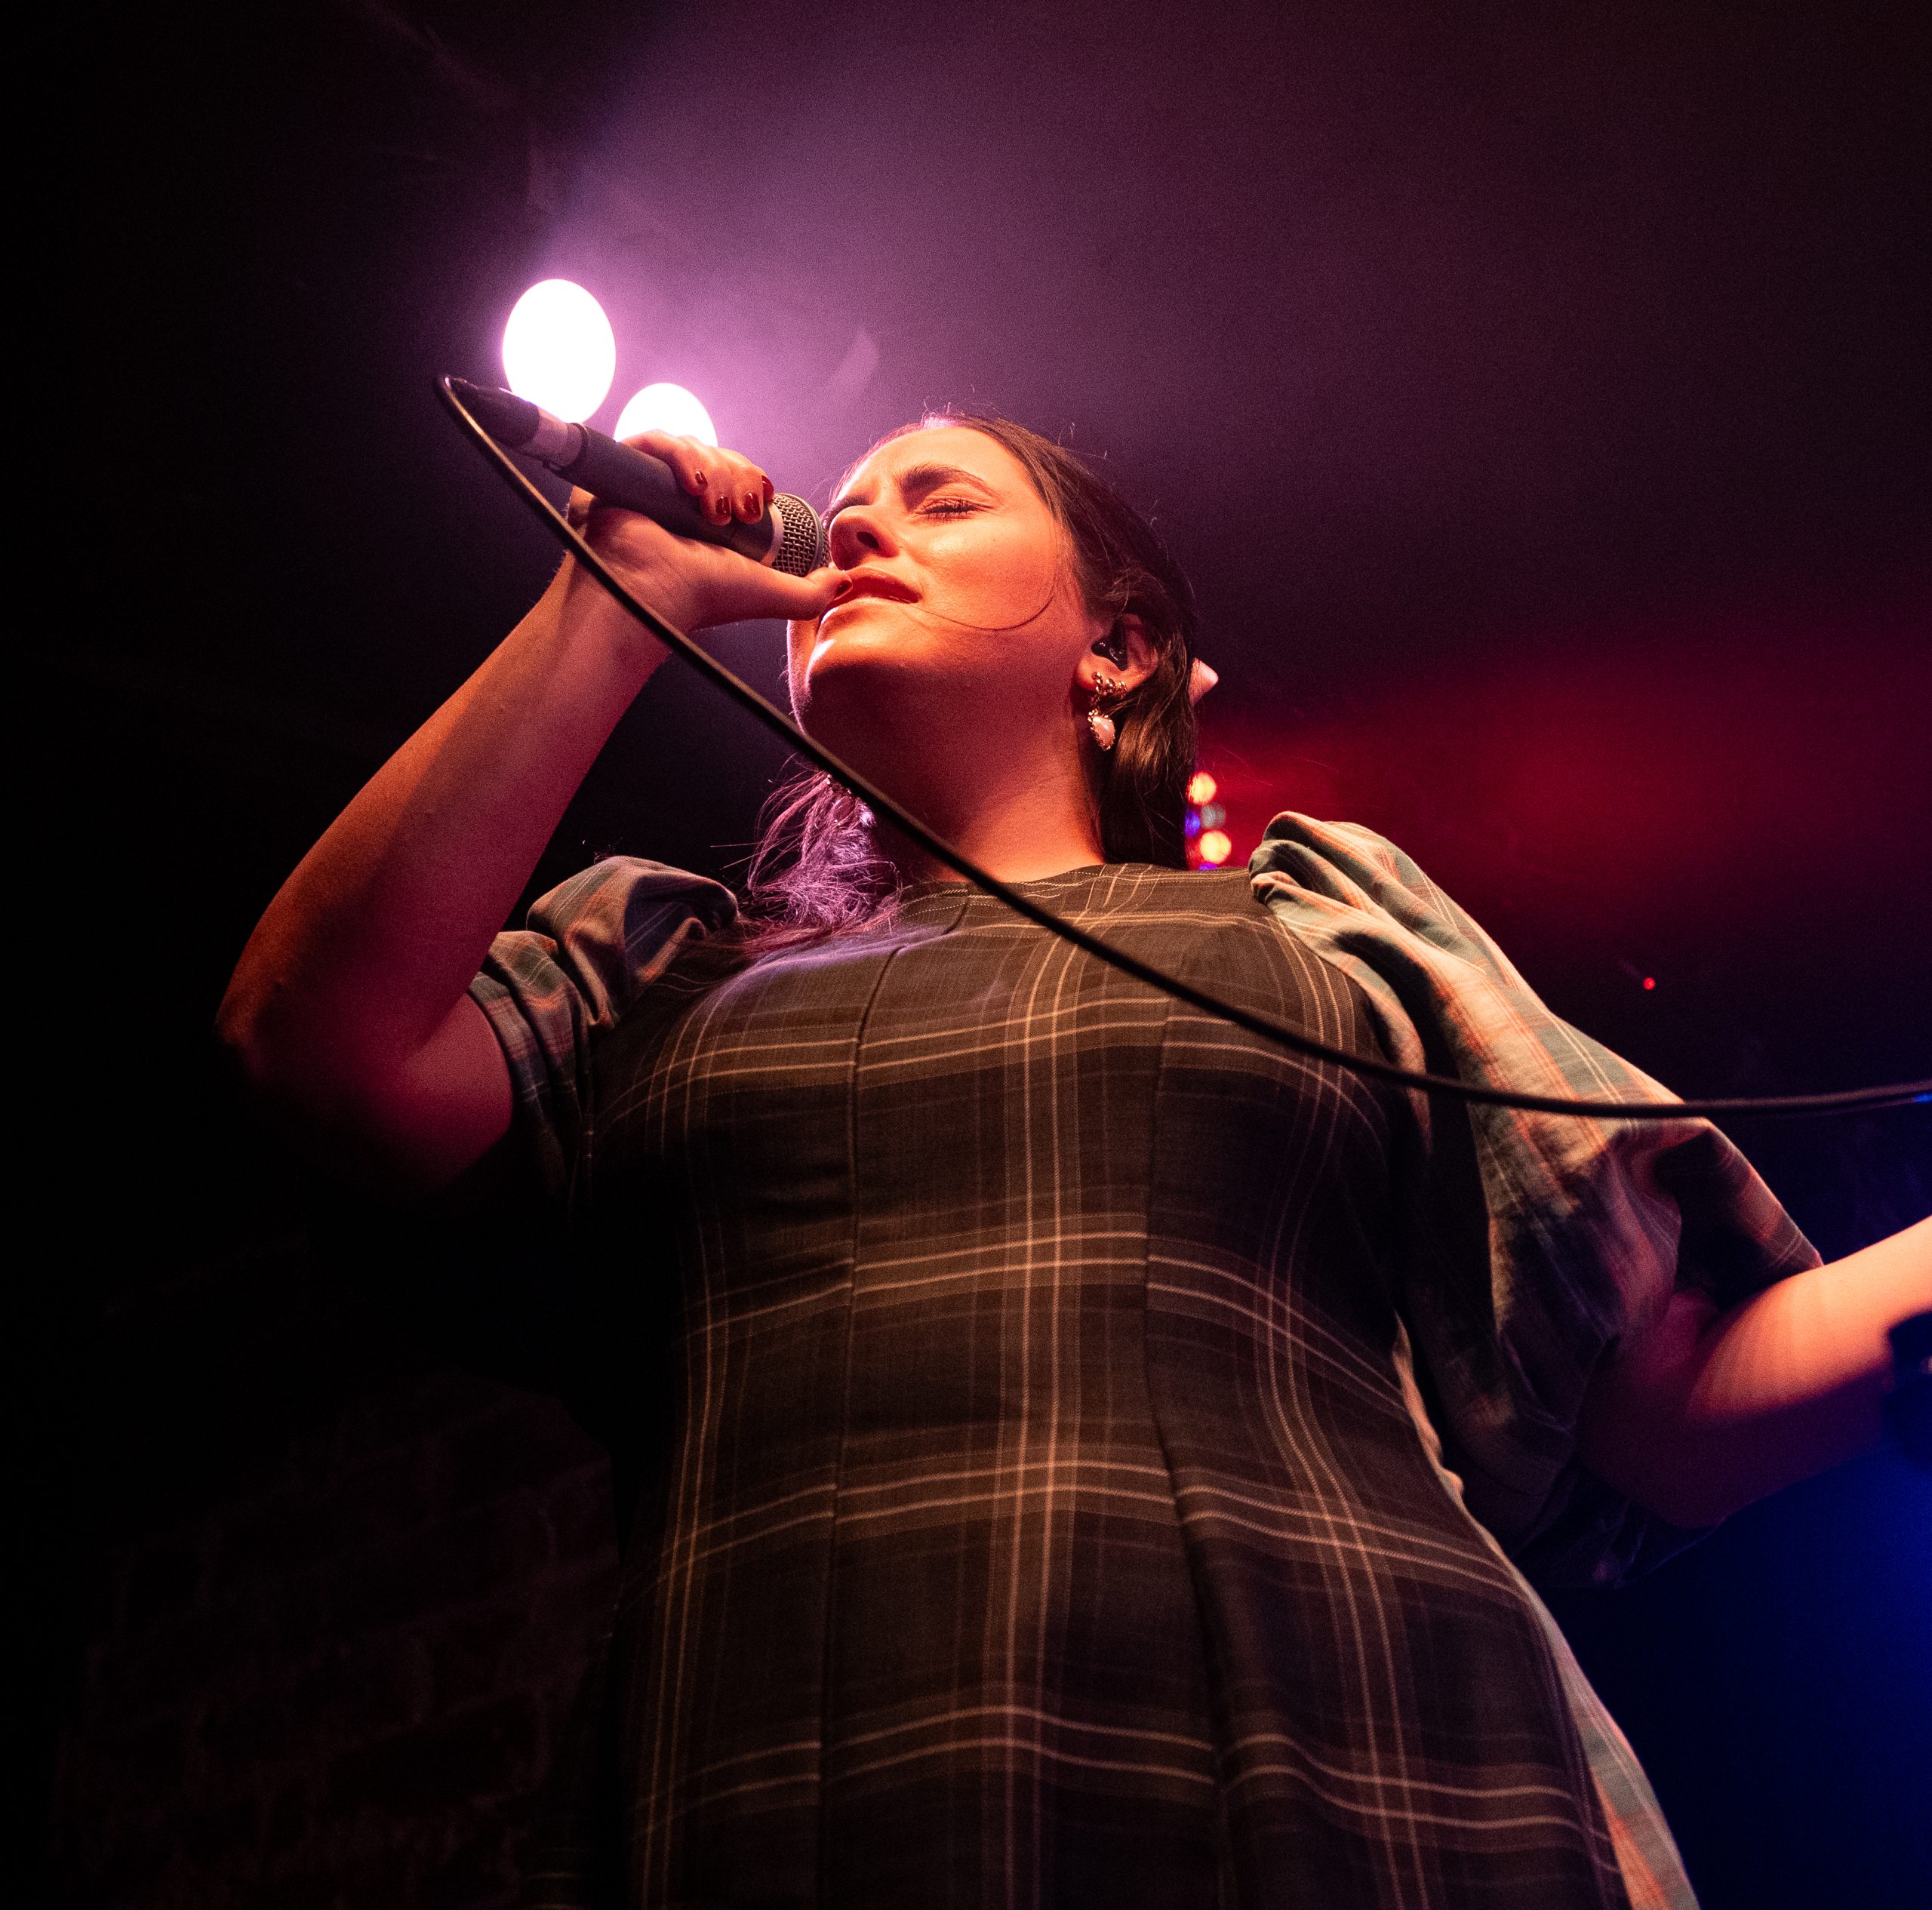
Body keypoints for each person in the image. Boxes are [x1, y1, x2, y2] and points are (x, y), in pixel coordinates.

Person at [218, 414, 1930, 1909]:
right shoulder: (659, 972)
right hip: (777, 1776)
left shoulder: (1311, 926)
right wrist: (611, 602)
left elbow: (1670, 1395)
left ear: (1116, 648)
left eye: (942, 498)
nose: (860, 524)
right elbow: (320, 1051)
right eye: (847, 506)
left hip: (1359, 1754)